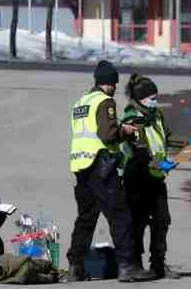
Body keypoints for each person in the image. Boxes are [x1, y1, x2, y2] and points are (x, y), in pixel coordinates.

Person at [67, 60, 155, 283]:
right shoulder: (105, 101)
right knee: (120, 215)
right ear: (110, 83)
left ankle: (75, 268)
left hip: (80, 167)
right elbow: (108, 135)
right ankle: (127, 267)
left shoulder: (80, 102)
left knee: (86, 219)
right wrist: (124, 131)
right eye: (114, 83)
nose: (115, 88)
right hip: (101, 166)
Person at [121, 74, 187, 279]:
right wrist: (162, 164)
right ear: (140, 98)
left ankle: (158, 263)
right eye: (151, 97)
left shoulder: (156, 115)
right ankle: (136, 264)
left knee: (162, 220)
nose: (155, 101)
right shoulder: (132, 119)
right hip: (138, 177)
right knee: (138, 221)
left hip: (156, 177)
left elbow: (167, 137)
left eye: (156, 97)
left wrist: (184, 147)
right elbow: (139, 150)